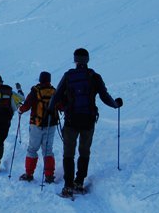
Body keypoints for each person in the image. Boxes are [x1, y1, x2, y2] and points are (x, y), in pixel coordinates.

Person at [48, 48, 123, 198]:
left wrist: (50, 110)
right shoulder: (94, 76)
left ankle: (68, 186)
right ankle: (79, 182)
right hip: (88, 120)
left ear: (75, 60)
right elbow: (104, 96)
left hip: (71, 120)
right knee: (84, 152)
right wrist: (116, 104)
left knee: (68, 153)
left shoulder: (69, 75)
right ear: (87, 60)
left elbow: (56, 96)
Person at [17, 71, 59, 183]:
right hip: (51, 125)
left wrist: (20, 110)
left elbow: (26, 106)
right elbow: (61, 106)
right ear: (49, 80)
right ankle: (49, 176)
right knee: (48, 150)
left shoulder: (35, 91)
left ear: (40, 79)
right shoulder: (54, 92)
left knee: (32, 149)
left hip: (36, 124)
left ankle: (29, 174)